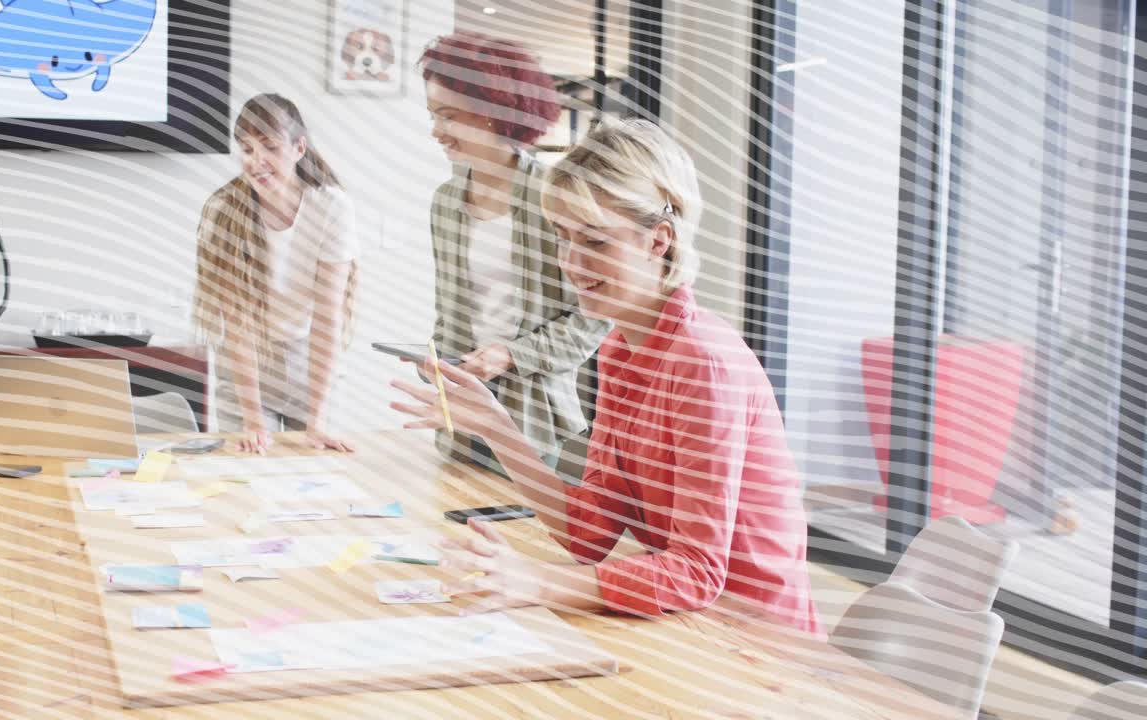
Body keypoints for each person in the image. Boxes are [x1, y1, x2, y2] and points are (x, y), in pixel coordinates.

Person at [391, 119, 821, 634]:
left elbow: (696, 573)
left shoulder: (703, 363)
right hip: (686, 625)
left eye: (594, 242)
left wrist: (537, 582)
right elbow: (588, 534)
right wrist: (498, 427)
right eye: (562, 238)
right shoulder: (620, 347)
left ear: (657, 242)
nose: (571, 264)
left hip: (756, 640)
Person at [418, 32, 611, 469]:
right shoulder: (445, 202)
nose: (437, 131)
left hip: (538, 419)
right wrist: (436, 362)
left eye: (448, 116)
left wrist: (512, 355)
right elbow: (450, 311)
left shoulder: (556, 195)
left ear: (494, 112)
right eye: (433, 115)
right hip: (463, 416)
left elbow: (595, 316)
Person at [193, 94, 357, 454]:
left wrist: (317, 420)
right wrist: (252, 419)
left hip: (308, 360)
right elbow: (238, 324)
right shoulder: (224, 210)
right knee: (251, 469)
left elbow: (328, 317)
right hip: (248, 365)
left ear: (299, 148)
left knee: (317, 465)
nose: (257, 161)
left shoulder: (331, 207)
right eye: (247, 150)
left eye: (269, 147)